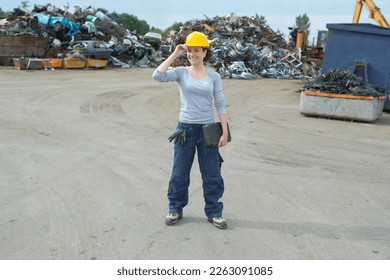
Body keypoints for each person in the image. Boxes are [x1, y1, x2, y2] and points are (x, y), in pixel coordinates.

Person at [152, 31, 229, 229]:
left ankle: (214, 212)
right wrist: (176, 53)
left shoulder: (214, 76)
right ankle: (175, 208)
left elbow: (220, 103)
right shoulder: (181, 72)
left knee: (212, 174)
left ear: (205, 52)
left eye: (197, 50)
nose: (192, 54)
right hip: (184, 130)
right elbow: (157, 75)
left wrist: (225, 131)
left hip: (208, 131)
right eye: (190, 50)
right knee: (179, 174)